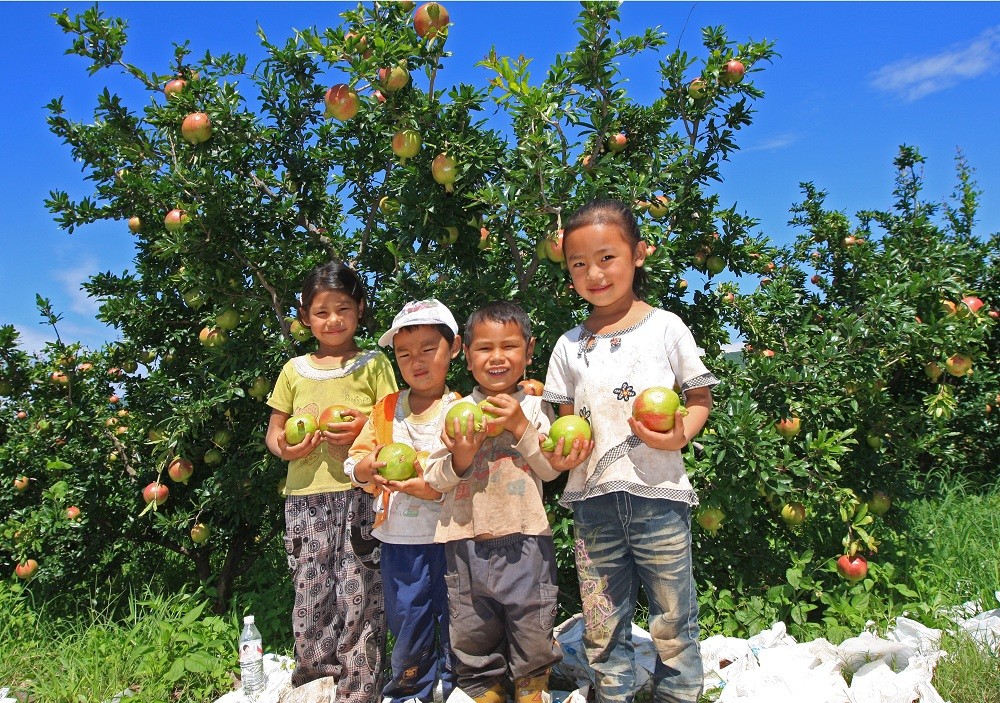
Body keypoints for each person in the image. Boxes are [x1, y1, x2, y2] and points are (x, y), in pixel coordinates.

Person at [541, 199, 719, 703]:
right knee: (601, 613)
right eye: (578, 264)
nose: (593, 273)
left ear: (639, 254)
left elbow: (699, 396)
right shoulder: (569, 344)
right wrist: (564, 448)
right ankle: (612, 691)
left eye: (606, 258)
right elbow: (563, 416)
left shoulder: (666, 326)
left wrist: (680, 433)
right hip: (593, 498)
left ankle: (679, 692)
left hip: (659, 493)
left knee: (671, 611)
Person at [264, 260, 398, 702]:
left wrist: (364, 424)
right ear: (305, 317)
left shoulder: (374, 364)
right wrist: (288, 447)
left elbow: (393, 421)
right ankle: (316, 685)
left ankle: (359, 691)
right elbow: (274, 433)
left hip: (361, 492)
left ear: (359, 309)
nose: (333, 320)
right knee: (311, 589)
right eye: (321, 312)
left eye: (342, 308)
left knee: (361, 592)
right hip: (305, 499)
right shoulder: (293, 370)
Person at [423, 301, 564, 703]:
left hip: (527, 539)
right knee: (470, 627)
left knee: (533, 623)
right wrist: (462, 456)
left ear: (529, 351)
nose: (497, 358)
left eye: (509, 347)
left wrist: (520, 425)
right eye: (484, 348)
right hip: (464, 541)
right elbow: (434, 478)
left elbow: (550, 470)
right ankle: (484, 689)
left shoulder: (537, 408)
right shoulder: (453, 410)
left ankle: (531, 685)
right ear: (466, 356)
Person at [344, 299, 463, 703]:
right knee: (407, 617)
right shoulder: (386, 409)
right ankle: (411, 688)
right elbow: (356, 460)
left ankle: (455, 683)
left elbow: (470, 470)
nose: (417, 361)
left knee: (458, 615)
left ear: (455, 348)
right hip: (399, 540)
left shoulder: (462, 409)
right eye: (404, 353)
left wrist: (434, 484)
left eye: (429, 349)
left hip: (452, 538)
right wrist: (366, 470)